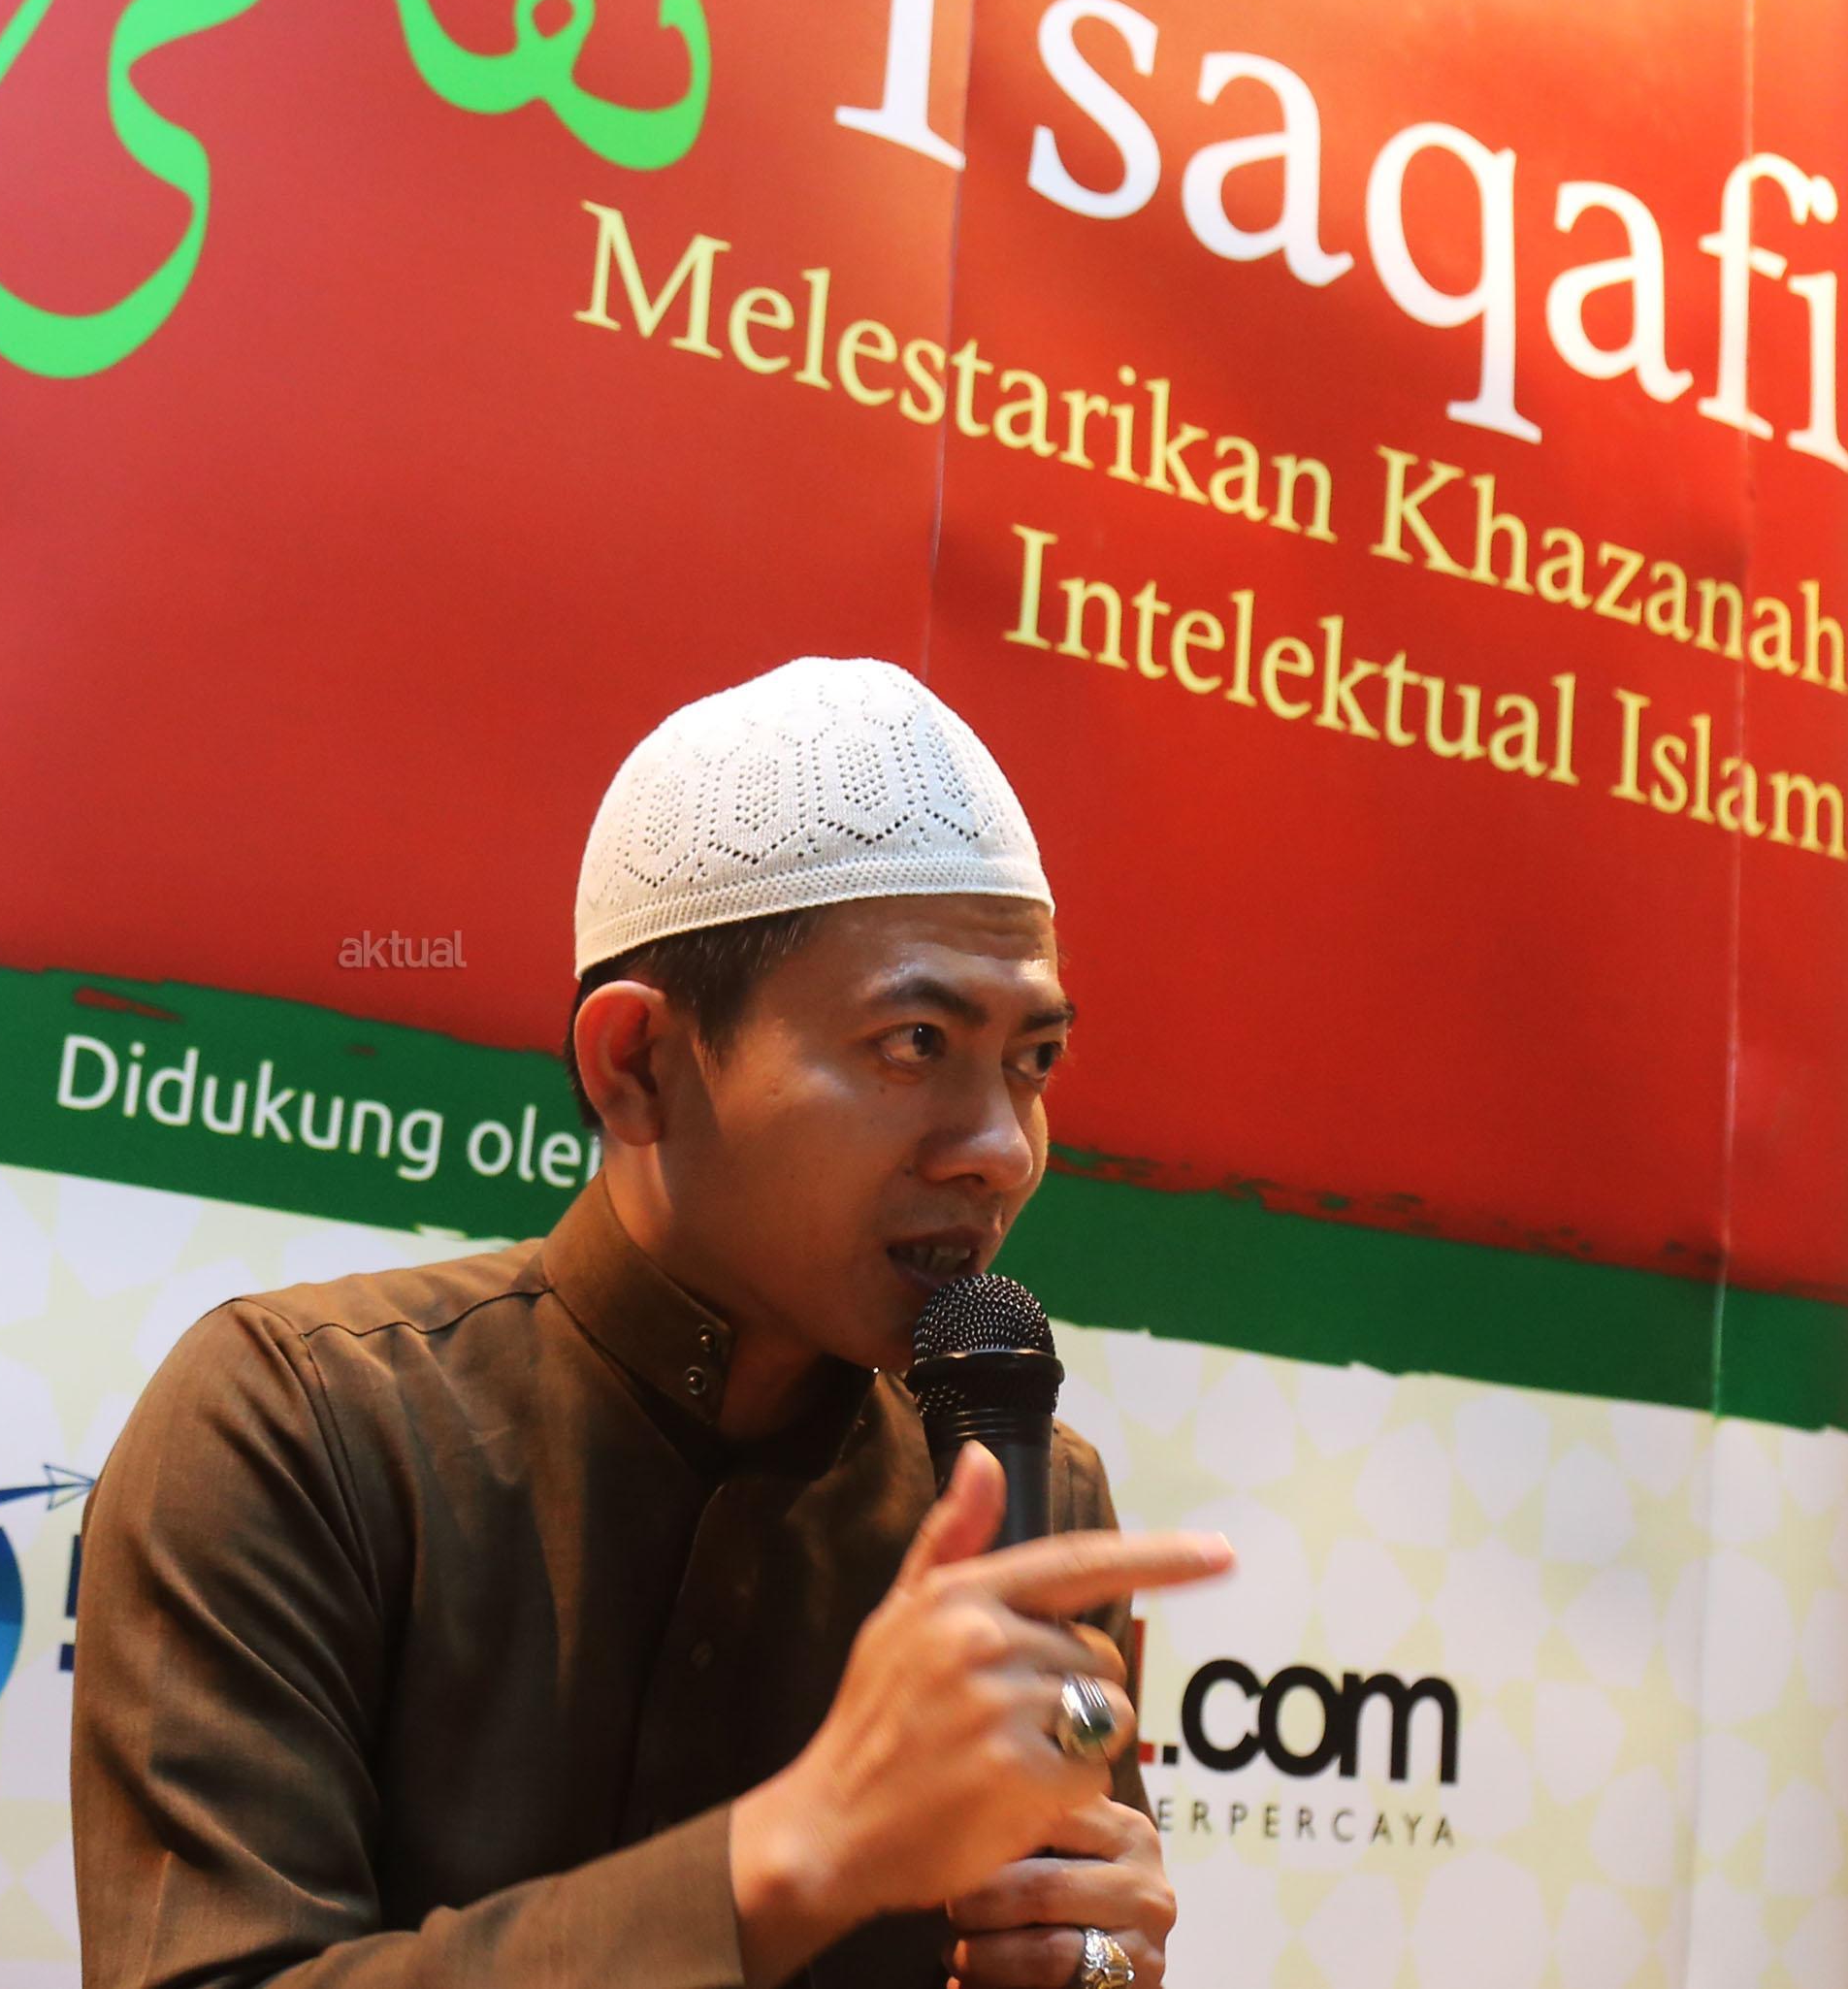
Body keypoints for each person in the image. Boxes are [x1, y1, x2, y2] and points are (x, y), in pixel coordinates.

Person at [70, 657, 1234, 1987]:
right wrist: (799, 1851)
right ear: (637, 1065)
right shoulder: (301, 1422)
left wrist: (1085, 1957)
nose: (1005, 1150)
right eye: (916, 1040)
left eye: (1034, 1059)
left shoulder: (1017, 1486)